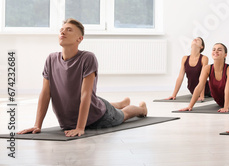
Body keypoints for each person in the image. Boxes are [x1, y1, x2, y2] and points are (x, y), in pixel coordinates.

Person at [18, 18, 147, 137]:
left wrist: (80, 127)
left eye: (69, 30)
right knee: (99, 102)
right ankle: (121, 103)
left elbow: (86, 95)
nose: (63, 32)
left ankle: (141, 109)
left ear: (79, 39)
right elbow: (45, 94)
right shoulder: (51, 59)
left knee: (124, 114)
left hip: (98, 118)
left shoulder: (87, 58)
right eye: (61, 30)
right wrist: (37, 125)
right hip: (84, 110)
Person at [178, 43, 229, 112]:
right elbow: (200, 86)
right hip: (220, 102)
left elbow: (228, 88)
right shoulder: (207, 68)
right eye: (214, 49)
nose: (216, 51)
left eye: (219, 50)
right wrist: (190, 106)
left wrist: (226, 107)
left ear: (225, 55)